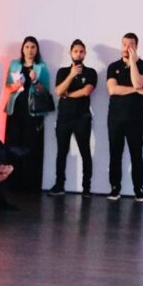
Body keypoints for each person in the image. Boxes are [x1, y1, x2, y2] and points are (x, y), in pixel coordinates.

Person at [106, 33, 143, 203]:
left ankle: (139, 190)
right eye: (124, 44)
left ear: (136, 46)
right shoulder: (113, 67)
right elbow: (112, 90)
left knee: (136, 155)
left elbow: (138, 82)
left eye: (130, 44)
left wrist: (133, 62)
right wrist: (136, 90)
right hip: (115, 118)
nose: (126, 47)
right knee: (115, 154)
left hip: (135, 119)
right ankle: (114, 188)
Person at [50, 39, 97, 196]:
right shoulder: (63, 72)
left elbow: (86, 91)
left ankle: (86, 188)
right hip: (64, 117)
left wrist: (67, 94)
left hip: (82, 117)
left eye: (81, 51)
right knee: (61, 152)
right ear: (70, 53)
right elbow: (58, 91)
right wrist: (71, 75)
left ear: (85, 54)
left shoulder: (90, 72)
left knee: (85, 152)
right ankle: (59, 185)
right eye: (76, 51)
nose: (78, 54)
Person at [4, 36, 51, 192]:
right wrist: (16, 85)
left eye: (33, 47)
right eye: (27, 47)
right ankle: (12, 183)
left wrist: (35, 81)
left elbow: (46, 91)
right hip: (15, 110)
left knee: (31, 148)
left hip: (34, 112)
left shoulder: (41, 67)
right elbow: (8, 87)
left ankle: (30, 186)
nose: (30, 50)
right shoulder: (14, 64)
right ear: (22, 49)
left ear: (37, 50)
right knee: (13, 146)